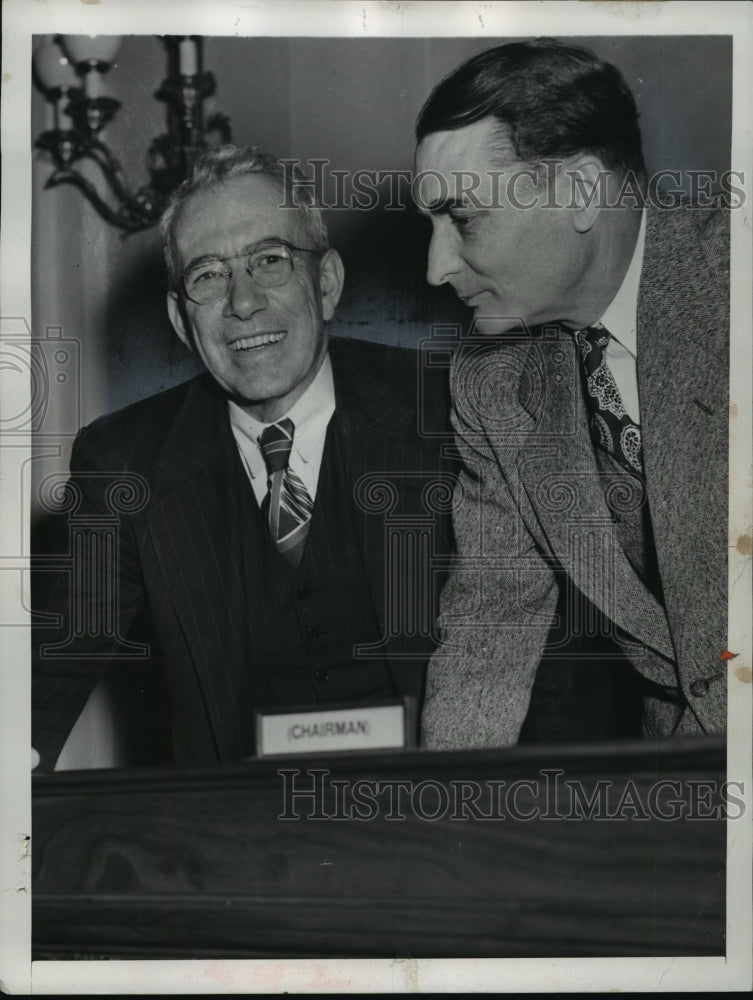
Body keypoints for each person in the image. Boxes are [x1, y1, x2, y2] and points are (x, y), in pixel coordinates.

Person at [32, 144, 455, 771]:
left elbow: (550, 664)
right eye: (208, 276)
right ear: (181, 320)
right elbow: (47, 676)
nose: (243, 303)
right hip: (237, 842)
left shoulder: (447, 410)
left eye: (270, 261)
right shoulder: (126, 463)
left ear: (328, 283)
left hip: (446, 822)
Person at [413, 39, 729, 748]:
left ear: (581, 191)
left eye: (462, 219)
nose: (436, 267)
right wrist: (448, 825)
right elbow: (488, 634)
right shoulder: (490, 381)